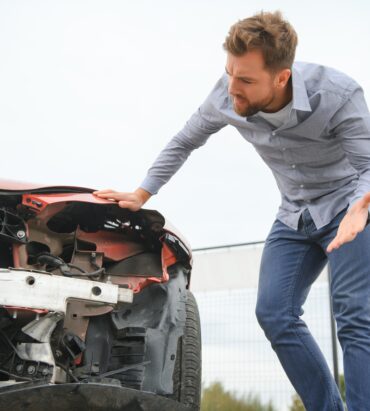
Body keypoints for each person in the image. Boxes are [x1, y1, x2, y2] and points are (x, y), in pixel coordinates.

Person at [94, 11, 370, 411]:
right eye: (229, 73)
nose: (232, 88)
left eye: (246, 80)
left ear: (281, 78)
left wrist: (360, 210)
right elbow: (184, 140)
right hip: (294, 212)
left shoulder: (338, 95)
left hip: (349, 206)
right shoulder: (225, 95)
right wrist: (141, 194)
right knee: (274, 313)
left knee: (354, 315)